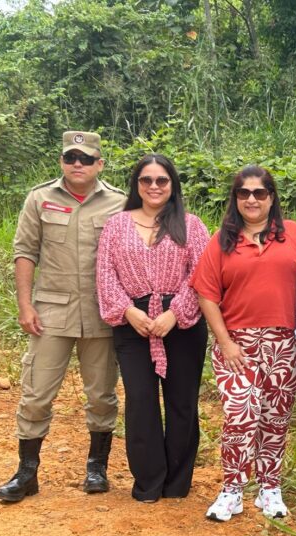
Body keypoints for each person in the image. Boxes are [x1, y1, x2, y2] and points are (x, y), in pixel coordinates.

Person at [0, 131, 126, 503]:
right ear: (62, 162)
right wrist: (24, 304)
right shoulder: (40, 198)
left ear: (99, 163)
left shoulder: (118, 202)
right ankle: (26, 473)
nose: (78, 164)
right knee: (36, 393)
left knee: (101, 396)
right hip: (50, 311)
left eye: (86, 159)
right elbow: (25, 252)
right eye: (71, 157)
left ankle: (96, 468)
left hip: (102, 314)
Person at [191, 165, 296, 522]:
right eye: (244, 193)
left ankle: (269, 488)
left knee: (274, 419)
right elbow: (206, 294)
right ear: (235, 199)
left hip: (284, 343)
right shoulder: (222, 241)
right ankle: (232, 489)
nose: (252, 199)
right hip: (237, 345)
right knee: (239, 416)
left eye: (259, 193)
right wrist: (225, 342)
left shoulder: (294, 235)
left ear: (271, 197)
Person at [96, 154, 210, 503]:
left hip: (182, 322)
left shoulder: (191, 225)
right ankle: (148, 482)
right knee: (141, 400)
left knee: (181, 403)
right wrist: (128, 311)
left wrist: (175, 314)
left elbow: (202, 275)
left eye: (162, 180)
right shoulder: (117, 224)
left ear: (172, 185)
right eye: (146, 180)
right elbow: (104, 273)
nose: (154, 187)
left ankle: (177, 483)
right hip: (133, 321)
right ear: (137, 185)